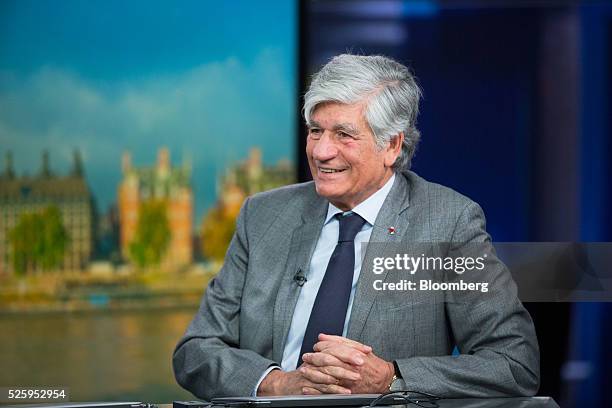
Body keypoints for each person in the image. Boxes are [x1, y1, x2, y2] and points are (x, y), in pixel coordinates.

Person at [173, 54, 539, 400]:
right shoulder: (263, 216)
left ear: (391, 146)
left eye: (343, 135)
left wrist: (392, 378)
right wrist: (278, 383)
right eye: (315, 131)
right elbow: (195, 351)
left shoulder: (447, 223)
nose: (320, 151)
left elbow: (513, 363)